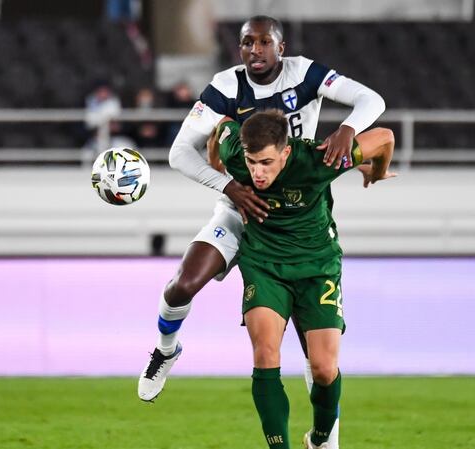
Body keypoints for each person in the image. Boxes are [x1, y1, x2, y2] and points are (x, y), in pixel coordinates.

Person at [138, 15, 386, 449]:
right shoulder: (226, 87)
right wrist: (231, 186)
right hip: (241, 208)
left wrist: (348, 129)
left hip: (297, 205)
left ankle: (325, 439)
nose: (255, 50)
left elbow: (372, 101)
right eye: (247, 43)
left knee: (321, 361)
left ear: (280, 46)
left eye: (264, 42)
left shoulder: (306, 74)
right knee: (183, 285)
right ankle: (166, 349)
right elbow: (181, 152)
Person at [213, 110, 395, 448]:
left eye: (266, 162)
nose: (257, 172)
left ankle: (320, 438)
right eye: (252, 163)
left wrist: (376, 173)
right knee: (265, 355)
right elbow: (219, 129)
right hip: (264, 265)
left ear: (285, 152)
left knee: (324, 370)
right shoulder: (236, 153)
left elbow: (384, 137)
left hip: (317, 266)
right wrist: (223, 183)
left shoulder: (318, 160)